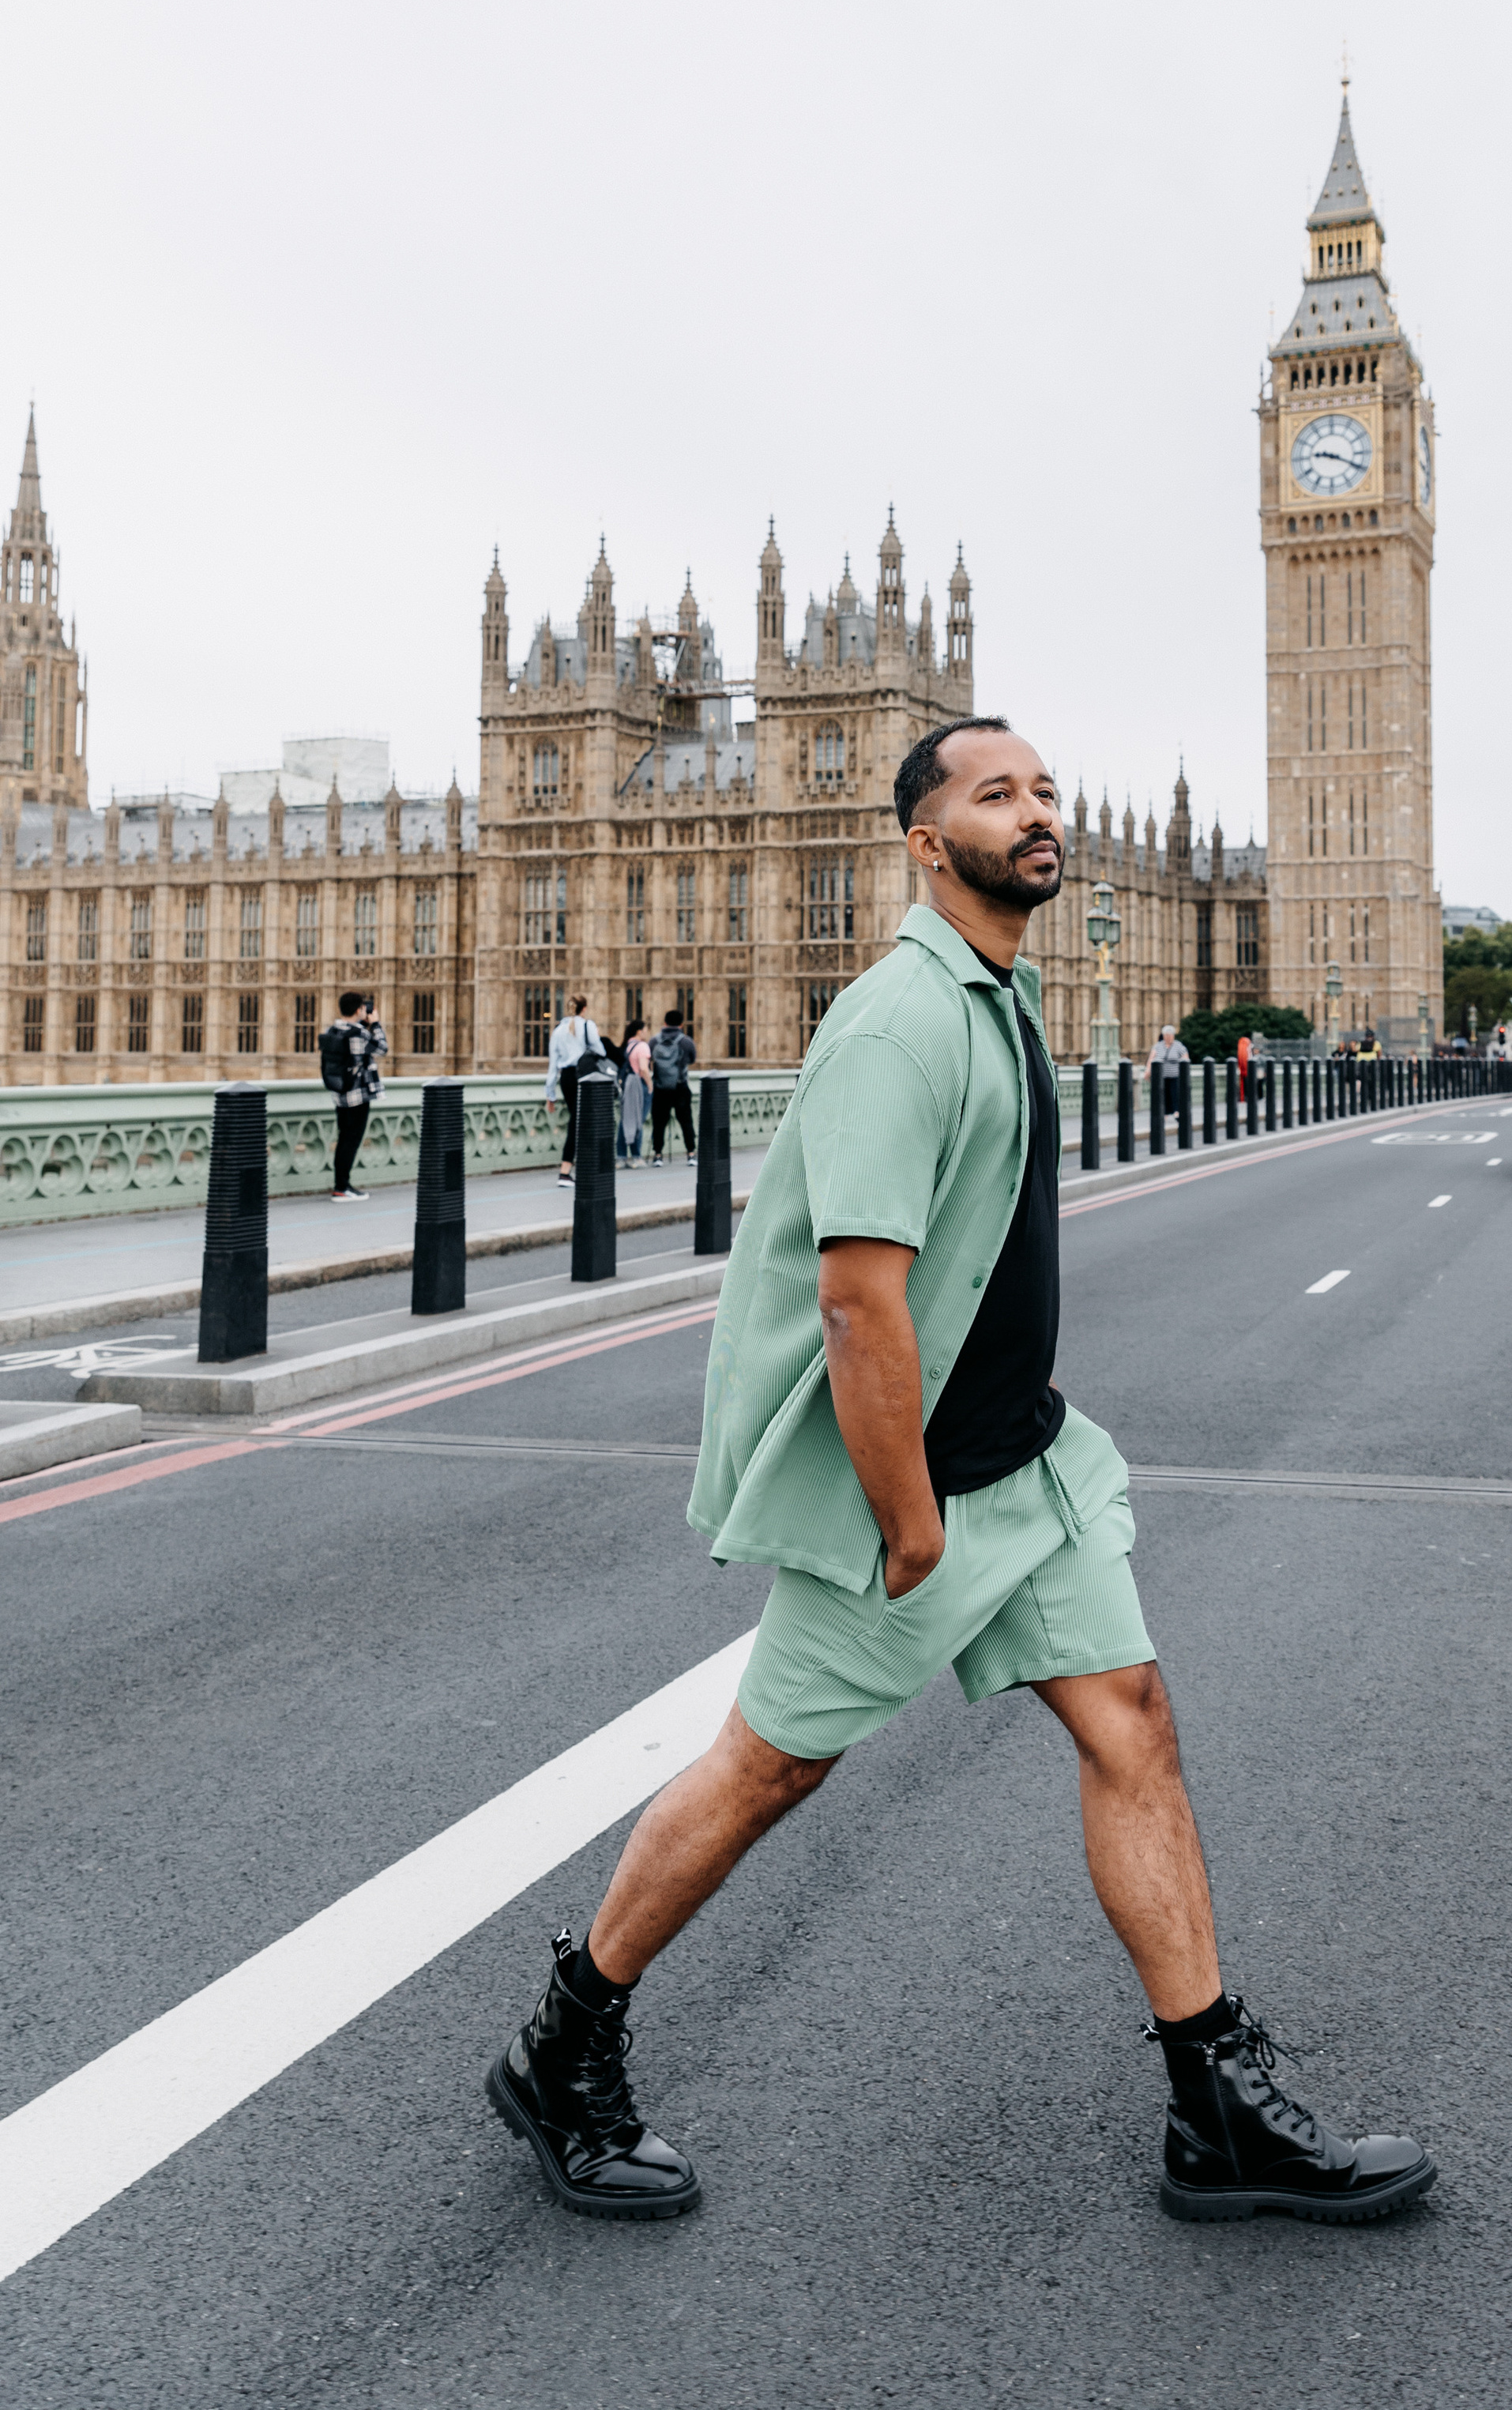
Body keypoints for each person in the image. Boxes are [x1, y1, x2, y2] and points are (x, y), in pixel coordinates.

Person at [486, 714, 1435, 2231]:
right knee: (766, 1771)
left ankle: (1215, 2107)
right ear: (928, 843)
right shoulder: (897, 1024)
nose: (1037, 810)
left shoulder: (1003, 996)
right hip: (916, 1493)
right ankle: (563, 2047)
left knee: (1132, 1723)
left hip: (1028, 1466)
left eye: (1046, 789)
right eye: (999, 794)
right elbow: (858, 1301)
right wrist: (907, 1520)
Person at [319, 990, 389, 1201]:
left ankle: (341, 1185)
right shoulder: (358, 1033)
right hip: (358, 1095)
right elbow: (382, 1049)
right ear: (359, 1010)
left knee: (344, 1140)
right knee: (352, 1141)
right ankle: (342, 1187)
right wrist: (375, 1024)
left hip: (340, 1094)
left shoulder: (333, 1030)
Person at [545, 995, 604, 1183]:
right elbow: (602, 1052)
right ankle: (565, 1170)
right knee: (579, 1122)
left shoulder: (558, 1030)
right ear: (584, 1009)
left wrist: (550, 1095)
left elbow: (553, 1066)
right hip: (585, 1077)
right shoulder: (588, 1026)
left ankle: (582, 1166)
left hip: (567, 1079)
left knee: (579, 1121)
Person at [649, 1007, 697, 1165]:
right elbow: (692, 1059)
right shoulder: (686, 1041)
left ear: (664, 1023)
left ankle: (657, 1155)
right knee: (686, 1121)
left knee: (659, 1123)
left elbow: (649, 1059)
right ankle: (690, 1154)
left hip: (660, 1088)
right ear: (681, 1025)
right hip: (680, 1086)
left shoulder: (654, 1041)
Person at [618, 1021, 651, 1164]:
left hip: (627, 1084)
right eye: (645, 1029)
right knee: (638, 1119)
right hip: (639, 1084)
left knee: (625, 1120)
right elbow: (643, 1069)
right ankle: (636, 1156)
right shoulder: (642, 1046)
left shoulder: (627, 1045)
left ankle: (621, 1156)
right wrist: (650, 1086)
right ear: (639, 1031)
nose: (647, 1032)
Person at [1146, 1022, 1189, 1117]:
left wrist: (1184, 1067)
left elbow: (1185, 1058)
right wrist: (1148, 1070)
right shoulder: (1158, 1046)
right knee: (1163, 1094)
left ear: (1173, 1036)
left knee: (1175, 1093)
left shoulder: (1179, 1046)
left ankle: (1176, 1111)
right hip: (1161, 1075)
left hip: (1175, 1074)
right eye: (1166, 1035)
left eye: (1170, 1035)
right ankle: (1165, 1112)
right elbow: (1151, 1059)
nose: (1168, 1037)